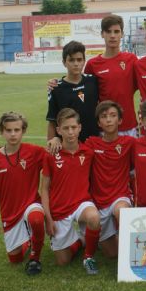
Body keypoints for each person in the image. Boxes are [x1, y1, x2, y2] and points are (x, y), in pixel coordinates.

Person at [40, 108, 101, 274]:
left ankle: (88, 257)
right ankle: (81, 241)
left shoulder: (88, 152)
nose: (70, 132)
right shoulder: (51, 155)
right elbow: (44, 189)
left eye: (74, 127)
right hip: (59, 209)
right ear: (58, 130)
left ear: (80, 127)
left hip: (82, 203)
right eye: (66, 128)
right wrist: (48, 219)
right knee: (63, 261)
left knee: (94, 217)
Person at [0, 112, 46, 275]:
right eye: (8, 130)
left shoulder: (34, 152)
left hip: (31, 204)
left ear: (23, 131)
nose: (13, 134)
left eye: (17, 130)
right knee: (15, 259)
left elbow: (53, 165)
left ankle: (35, 257)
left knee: (36, 219)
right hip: (10, 212)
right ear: (2, 131)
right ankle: (27, 241)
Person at [84, 101, 134, 258]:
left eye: (113, 116)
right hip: (99, 203)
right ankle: (89, 238)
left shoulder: (129, 142)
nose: (109, 120)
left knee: (122, 211)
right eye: (104, 117)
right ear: (99, 122)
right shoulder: (91, 143)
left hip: (120, 197)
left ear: (120, 120)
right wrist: (56, 140)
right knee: (112, 254)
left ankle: (131, 255)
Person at [83, 15, 138, 136]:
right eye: (108, 31)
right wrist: (56, 83)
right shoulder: (92, 64)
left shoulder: (131, 60)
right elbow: (84, 94)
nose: (112, 35)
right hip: (105, 128)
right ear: (102, 34)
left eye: (116, 31)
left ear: (122, 34)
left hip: (129, 126)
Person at [46, 40, 99, 146]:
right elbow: (52, 121)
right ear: (64, 62)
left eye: (79, 60)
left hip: (94, 141)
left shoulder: (93, 81)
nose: (76, 64)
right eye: (71, 60)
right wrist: (50, 143)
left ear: (84, 61)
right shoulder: (56, 88)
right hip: (69, 145)